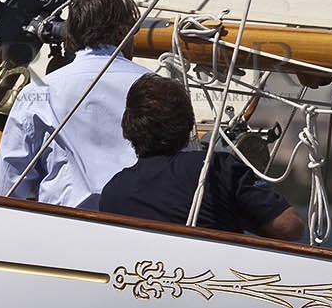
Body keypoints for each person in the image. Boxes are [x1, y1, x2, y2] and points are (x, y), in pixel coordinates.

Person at [0, 0, 150, 205]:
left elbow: (9, 185)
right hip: (142, 225)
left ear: (71, 34)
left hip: (63, 226)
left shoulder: (37, 93)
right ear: (122, 32)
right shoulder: (159, 87)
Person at [100, 74, 305, 240]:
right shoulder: (216, 168)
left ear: (129, 129)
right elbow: (289, 227)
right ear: (188, 124)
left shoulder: (112, 192)